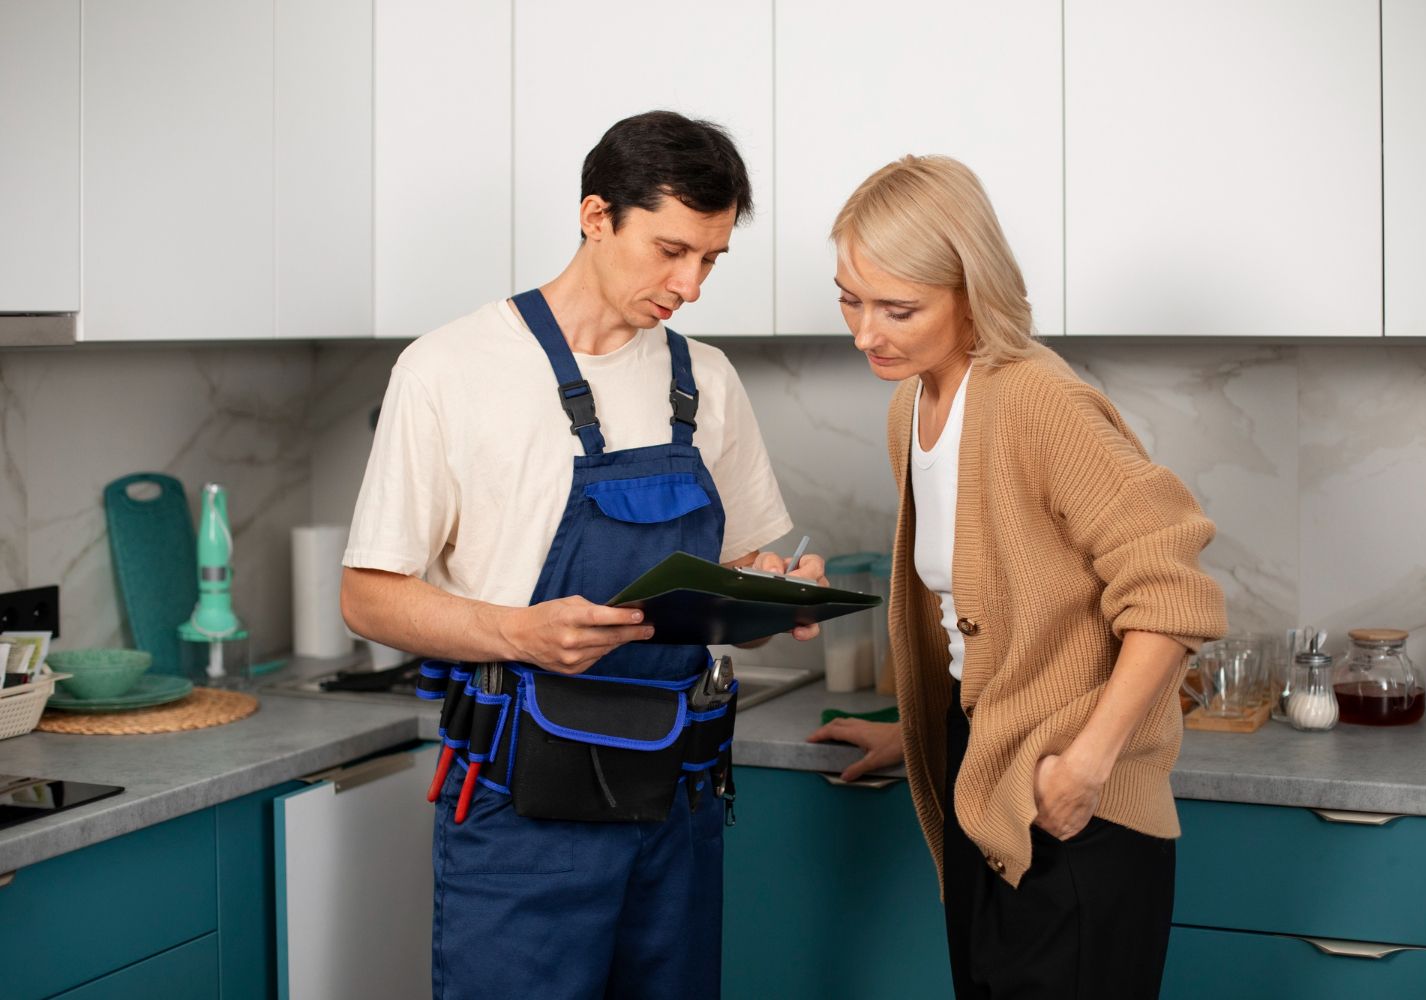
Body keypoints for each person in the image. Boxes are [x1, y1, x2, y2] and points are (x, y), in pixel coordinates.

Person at [340, 110, 823, 1000]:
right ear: (596, 216)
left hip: (678, 804)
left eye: (711, 259)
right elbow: (369, 597)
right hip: (520, 808)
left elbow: (744, 565)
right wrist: (519, 634)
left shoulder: (705, 379)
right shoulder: (447, 370)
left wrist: (776, 596)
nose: (692, 286)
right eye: (672, 251)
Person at [807, 155, 1227, 998]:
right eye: (850, 299)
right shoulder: (913, 405)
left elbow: (1173, 596)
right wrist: (922, 730)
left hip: (1075, 795)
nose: (865, 334)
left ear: (973, 291)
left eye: (899, 309)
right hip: (987, 769)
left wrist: (1086, 765)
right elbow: (978, 609)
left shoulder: (1038, 401)